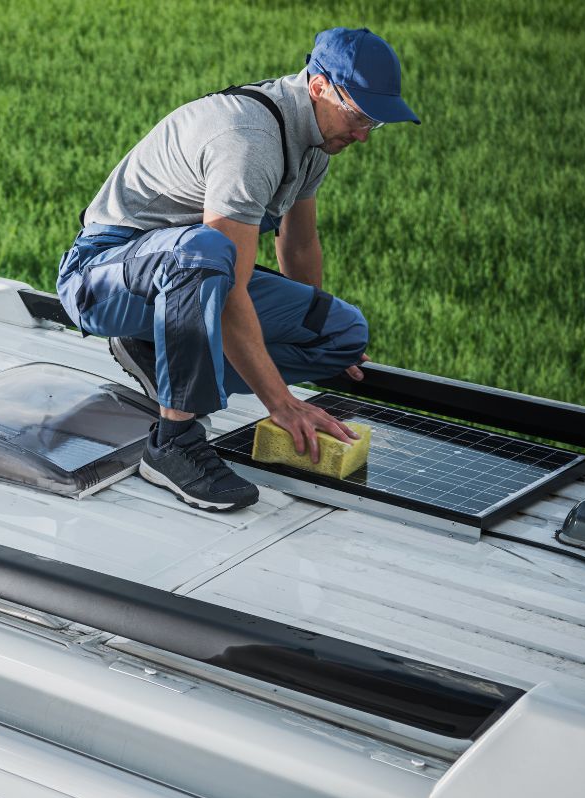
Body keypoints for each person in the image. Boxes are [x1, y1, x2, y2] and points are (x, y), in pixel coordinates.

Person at [56, 27, 420, 512]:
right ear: (318, 87)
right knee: (205, 255)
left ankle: (156, 349)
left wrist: (309, 321)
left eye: (373, 123)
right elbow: (227, 290)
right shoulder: (250, 141)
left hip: (184, 270)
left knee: (342, 333)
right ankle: (174, 443)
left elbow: (299, 240)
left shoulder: (313, 139)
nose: (361, 135)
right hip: (101, 276)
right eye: (359, 117)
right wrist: (281, 402)